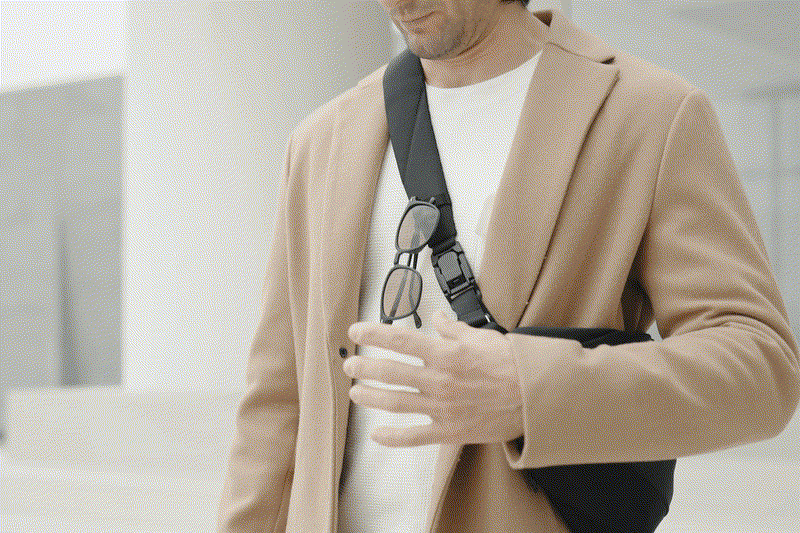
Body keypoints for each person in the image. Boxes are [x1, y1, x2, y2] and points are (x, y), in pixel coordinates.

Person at [217, 1, 800, 532]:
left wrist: (531, 390)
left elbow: (761, 365)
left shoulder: (651, 113)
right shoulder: (323, 138)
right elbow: (278, 400)